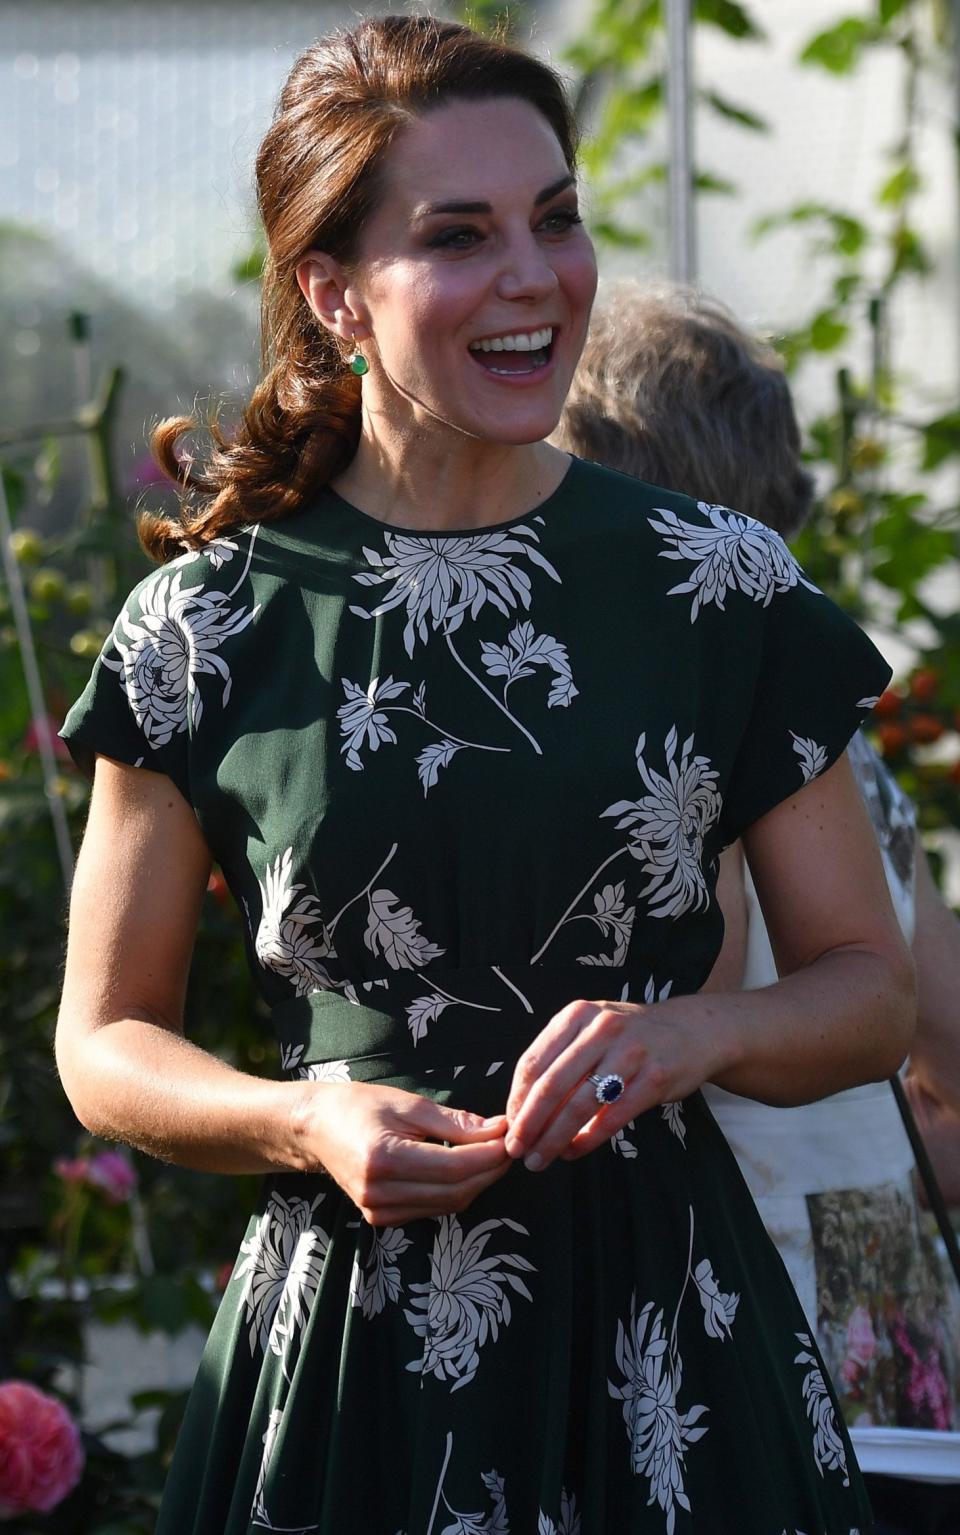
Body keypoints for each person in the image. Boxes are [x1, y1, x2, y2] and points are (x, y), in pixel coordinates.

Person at [55, 19, 914, 1534]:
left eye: (558, 217)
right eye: (461, 236)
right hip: (347, 1365)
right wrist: (302, 1120)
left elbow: (872, 990)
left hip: (672, 1346)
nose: (538, 275)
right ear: (334, 294)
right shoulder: (201, 627)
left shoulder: (722, 589)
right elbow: (106, 1038)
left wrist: (692, 1033)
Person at [554, 278, 960, 1532]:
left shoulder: (695, 727)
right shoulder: (846, 751)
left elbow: (695, 988)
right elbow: (947, 1038)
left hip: (749, 1333)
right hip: (893, 1325)